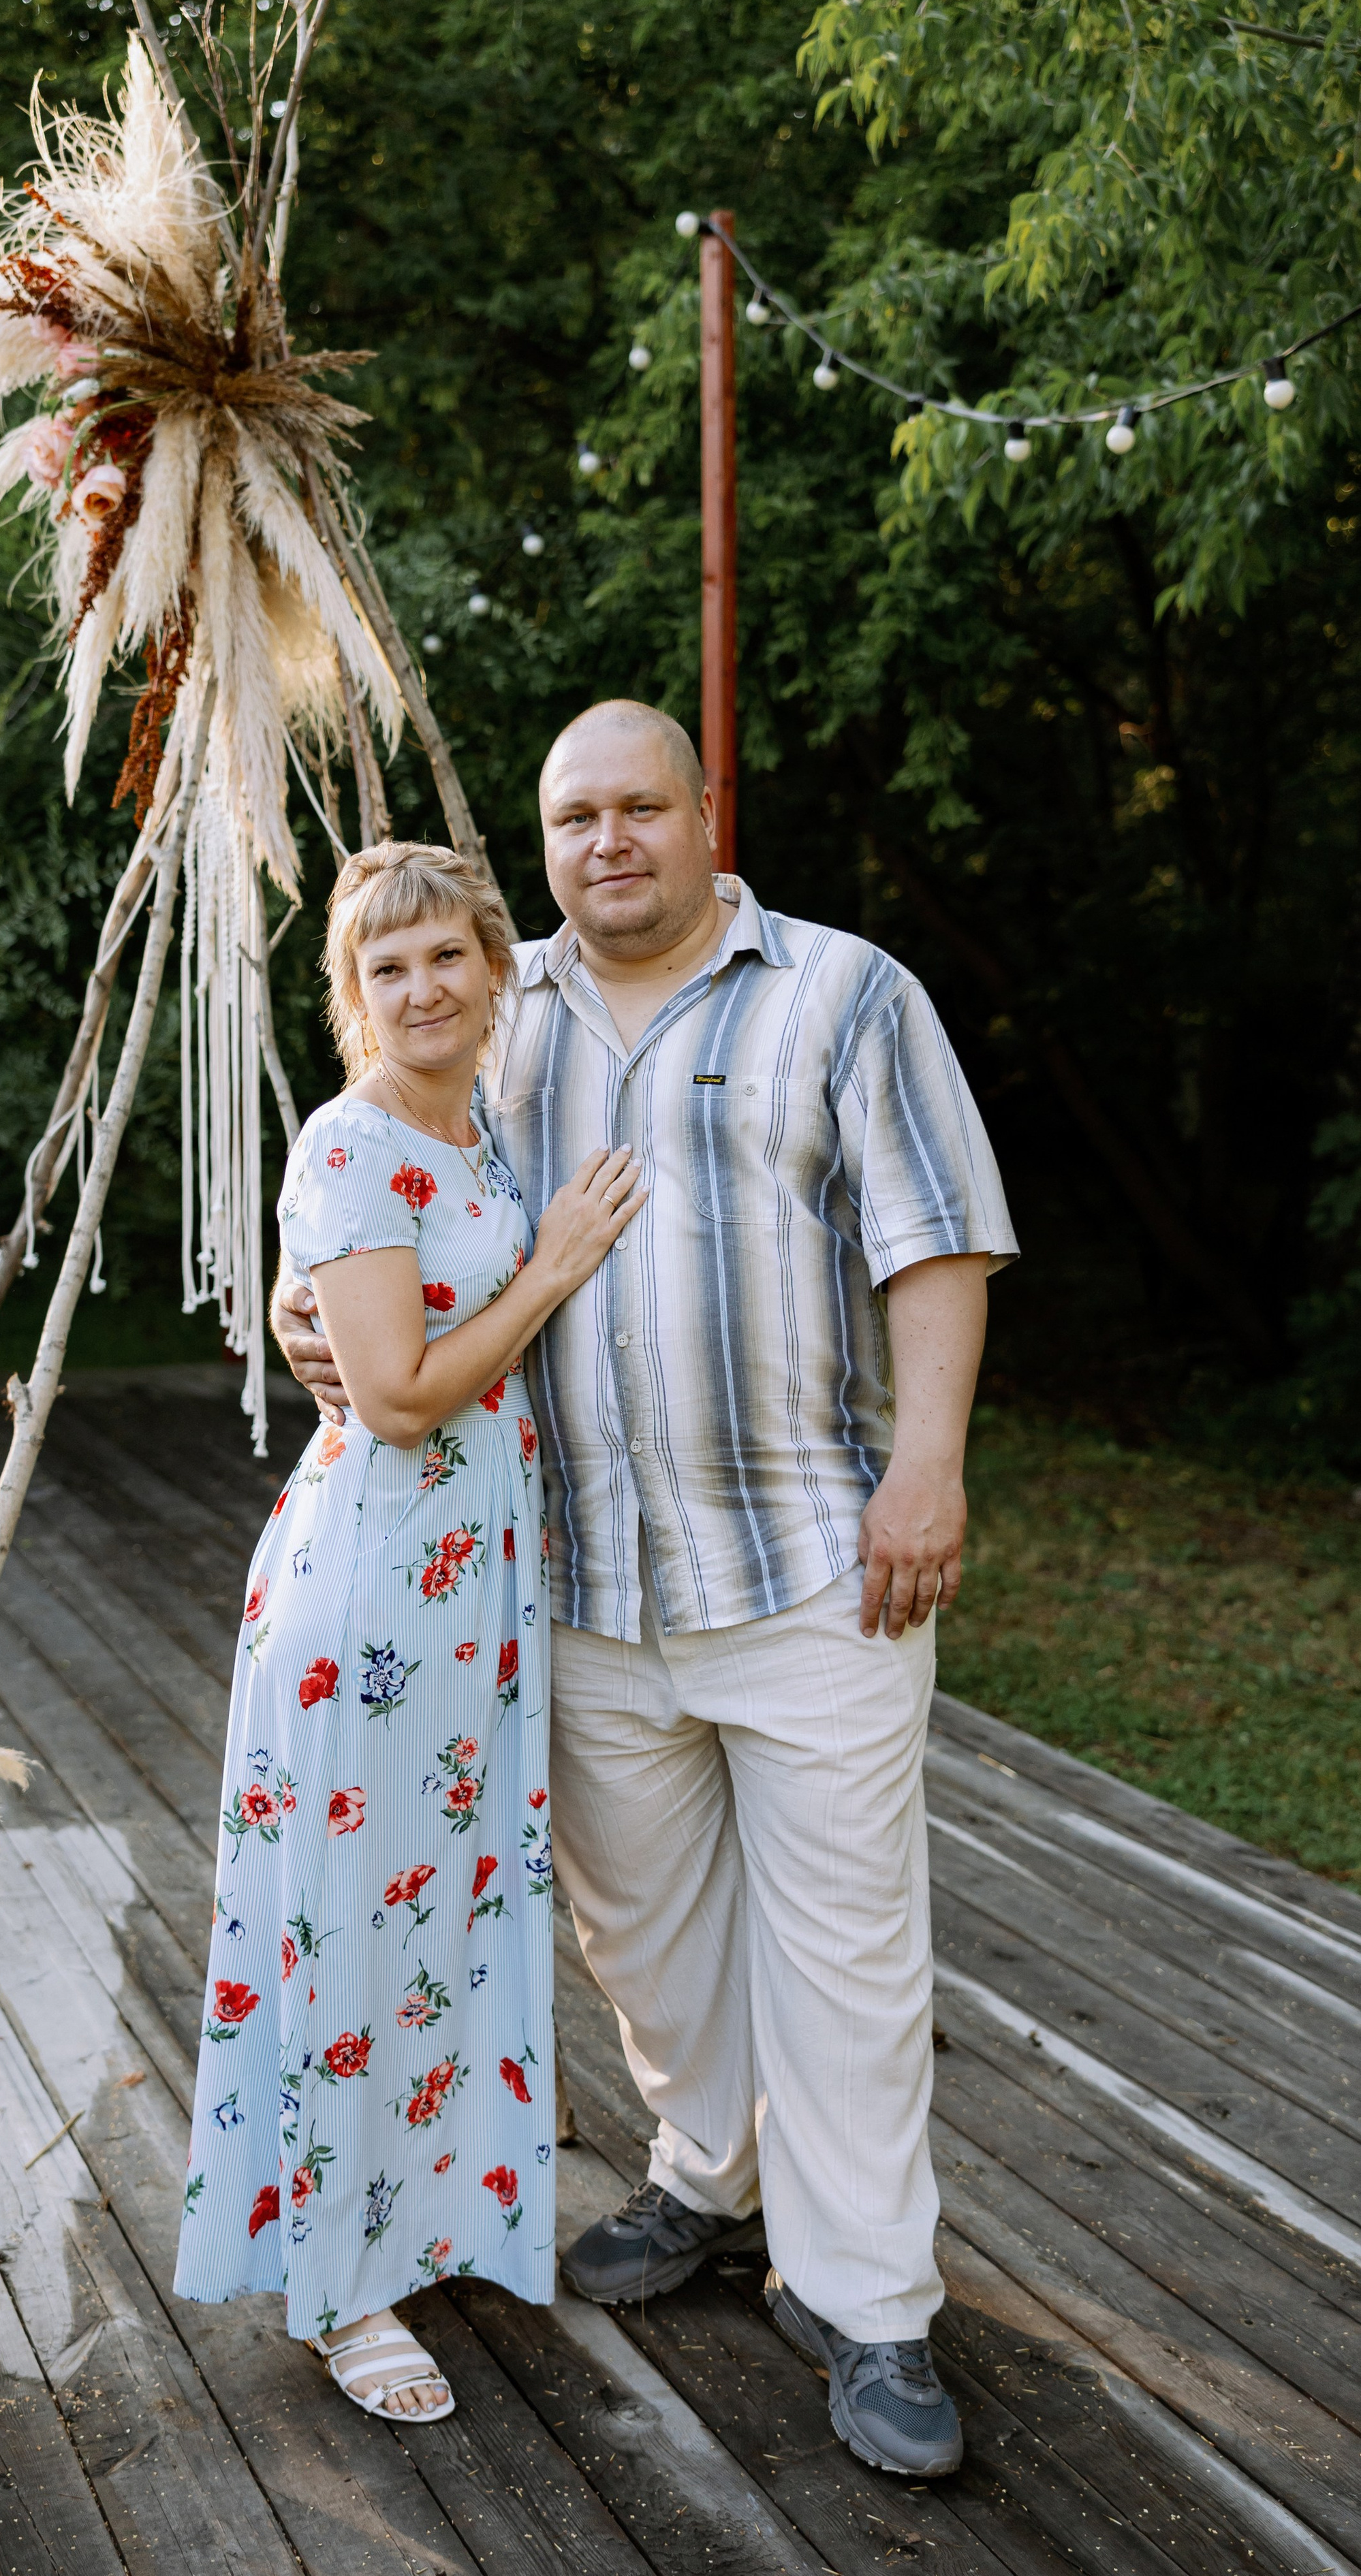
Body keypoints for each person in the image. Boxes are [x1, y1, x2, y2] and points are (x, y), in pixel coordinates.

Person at [273, 702, 1016, 2478]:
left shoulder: (844, 993)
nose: (610, 840)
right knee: (648, 1946)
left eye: (639, 807)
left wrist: (930, 1465)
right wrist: (306, 1309)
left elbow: (936, 1238)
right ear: (546, 844)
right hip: (575, 1584)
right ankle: (707, 2180)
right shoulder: (488, 1004)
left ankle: (874, 2305)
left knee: (844, 1954)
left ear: (704, 813)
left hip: (810, 1567)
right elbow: (372, 1170)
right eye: (575, 816)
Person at [174, 840, 646, 2423]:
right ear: (351, 997)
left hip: (478, 1595)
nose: (423, 987)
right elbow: (392, 1398)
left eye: (447, 955)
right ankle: (338, 2284)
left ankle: (424, 2212)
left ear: (493, 966)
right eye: (388, 968)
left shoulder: (487, 1133)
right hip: (371, 1594)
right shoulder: (351, 1145)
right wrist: (557, 1268)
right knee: (349, 1921)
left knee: (443, 1915)